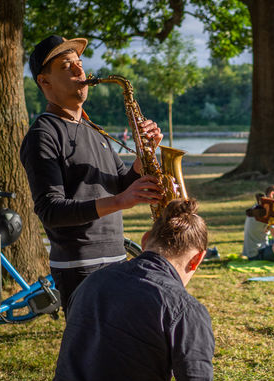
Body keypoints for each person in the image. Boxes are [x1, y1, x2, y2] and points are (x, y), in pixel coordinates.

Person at [32, 199, 261, 381]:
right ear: (197, 259)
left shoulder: (92, 283)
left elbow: (96, 373)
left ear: (144, 241)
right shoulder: (183, 309)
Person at [20, 35, 163, 312]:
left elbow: (120, 184)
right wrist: (122, 201)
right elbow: (50, 210)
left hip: (116, 258)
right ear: (44, 82)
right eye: (66, 66)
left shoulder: (93, 129)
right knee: (91, 353)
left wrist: (142, 160)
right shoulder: (43, 134)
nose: (79, 70)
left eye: (79, 63)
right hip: (79, 267)